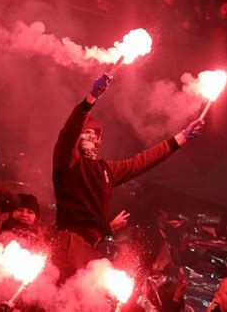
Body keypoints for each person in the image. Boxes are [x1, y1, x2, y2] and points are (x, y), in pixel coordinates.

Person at [51, 73, 204, 283]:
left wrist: (182, 138)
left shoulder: (105, 170)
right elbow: (69, 133)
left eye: (94, 137)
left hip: (92, 250)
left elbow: (141, 161)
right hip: (69, 244)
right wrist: (90, 99)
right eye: (84, 135)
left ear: (100, 141)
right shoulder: (67, 162)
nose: (89, 140)